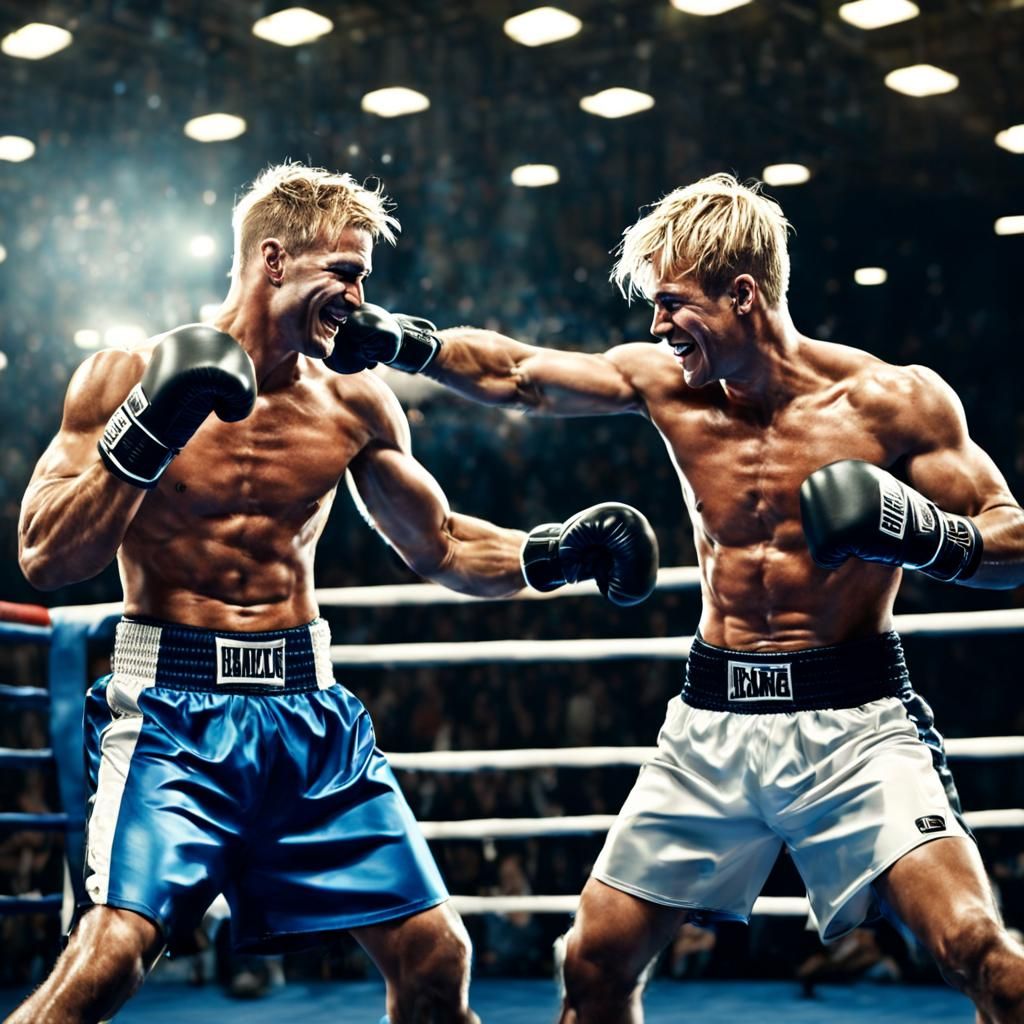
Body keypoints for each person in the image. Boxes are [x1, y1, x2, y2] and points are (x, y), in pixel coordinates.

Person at [332, 173, 1024, 1023]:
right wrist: (406, 342)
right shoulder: (668, 386)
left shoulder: (894, 402)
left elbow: (1010, 540)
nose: (657, 327)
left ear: (743, 294)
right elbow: (521, 376)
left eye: (672, 303)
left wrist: (922, 535)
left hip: (855, 720)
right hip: (712, 722)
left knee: (978, 952)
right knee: (591, 963)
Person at [12, 161, 660, 1024]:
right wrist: (149, 430)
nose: (358, 299)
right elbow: (44, 555)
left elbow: (443, 545)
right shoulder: (124, 375)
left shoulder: (355, 399)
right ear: (274, 260)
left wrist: (558, 553)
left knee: (436, 959)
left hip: (307, 714)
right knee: (112, 956)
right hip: (170, 710)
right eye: (345, 274)